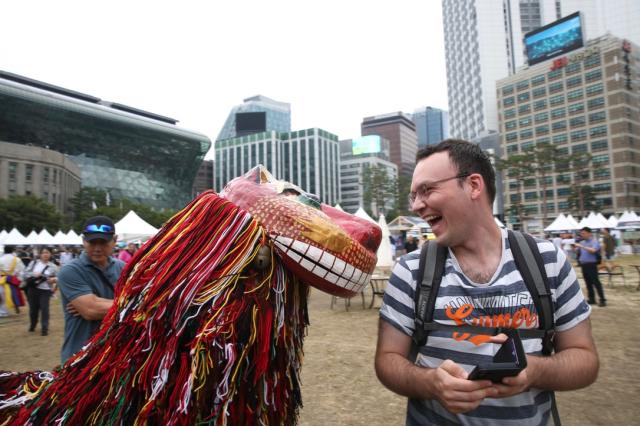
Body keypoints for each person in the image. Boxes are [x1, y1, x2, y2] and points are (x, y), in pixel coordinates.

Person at [375, 139, 598, 425]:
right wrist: (432, 382)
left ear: (473, 186)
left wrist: (534, 371)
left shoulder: (546, 261)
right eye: (413, 196)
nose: (417, 205)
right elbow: (388, 360)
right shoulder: (411, 270)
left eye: (427, 190)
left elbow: (585, 360)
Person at [57, 216, 125, 363]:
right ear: (83, 240)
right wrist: (134, 305)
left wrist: (102, 304)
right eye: (92, 242)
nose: (97, 248)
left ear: (114, 240)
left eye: (103, 242)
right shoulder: (70, 271)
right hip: (80, 356)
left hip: (114, 354)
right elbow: (91, 310)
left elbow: (139, 299)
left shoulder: (123, 268)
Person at [22, 247, 58, 335]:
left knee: (45, 309)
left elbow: (59, 277)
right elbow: (24, 274)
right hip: (33, 289)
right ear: (40, 254)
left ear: (50, 254)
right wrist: (34, 274)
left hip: (45, 291)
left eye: (47, 253)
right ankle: (33, 324)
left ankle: (44, 328)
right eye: (43, 253)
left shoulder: (53, 266)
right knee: (33, 310)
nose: (45, 254)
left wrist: (54, 279)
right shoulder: (34, 263)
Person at [575, 227, 607, 307]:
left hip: (591, 265)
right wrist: (576, 249)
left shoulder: (594, 241)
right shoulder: (582, 242)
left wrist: (582, 247)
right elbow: (580, 252)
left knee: (596, 282)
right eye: (581, 233)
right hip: (584, 265)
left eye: (584, 233)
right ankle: (592, 299)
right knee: (588, 282)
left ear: (589, 233)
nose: (582, 235)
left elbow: (593, 250)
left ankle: (602, 299)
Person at [0, 246, 26, 317]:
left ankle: (2, 311)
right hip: (13, 280)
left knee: (2, 295)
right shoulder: (17, 259)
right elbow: (22, 270)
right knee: (14, 294)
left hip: (1, 280)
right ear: (12, 251)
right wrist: (20, 279)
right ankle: (15, 305)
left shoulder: (0, 259)